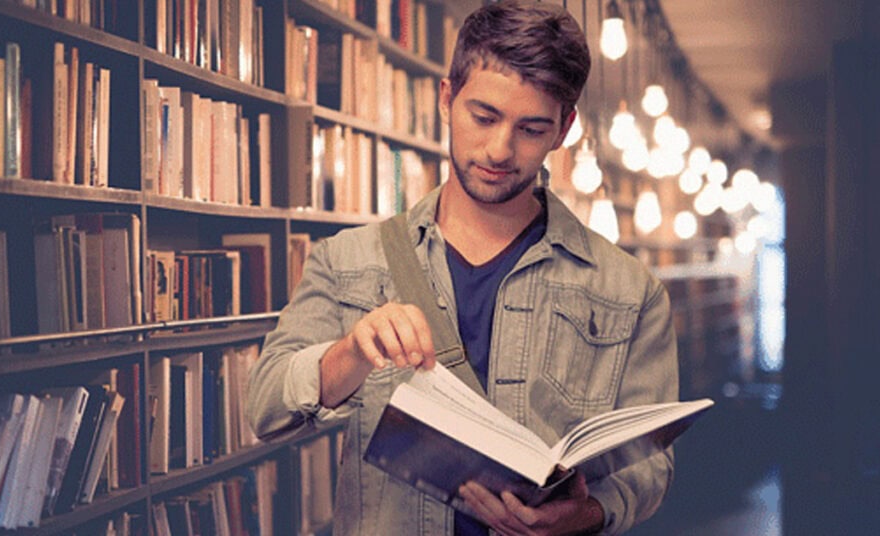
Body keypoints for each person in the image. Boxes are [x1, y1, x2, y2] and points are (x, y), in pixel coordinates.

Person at [247, 1, 678, 534]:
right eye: (484, 116)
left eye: (531, 128)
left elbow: (650, 465)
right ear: (447, 98)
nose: (500, 149)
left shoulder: (631, 291)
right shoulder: (349, 260)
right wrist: (350, 352)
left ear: (563, 129)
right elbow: (265, 407)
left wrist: (588, 513)